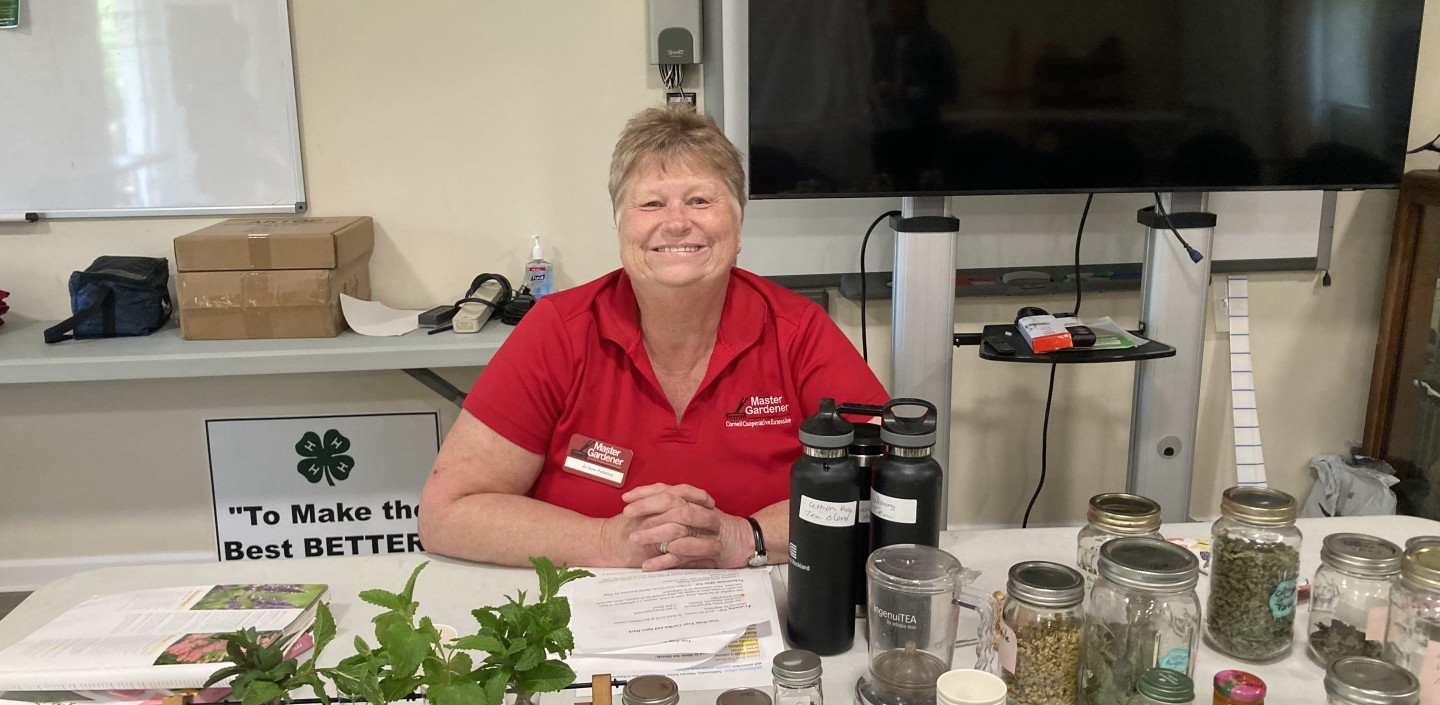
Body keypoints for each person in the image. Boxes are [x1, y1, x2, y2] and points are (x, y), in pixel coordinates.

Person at [418, 104, 888, 571]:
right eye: (651, 203)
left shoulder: (797, 330)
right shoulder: (558, 330)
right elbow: (447, 513)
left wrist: (745, 537)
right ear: (620, 223)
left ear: (740, 221)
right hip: (580, 611)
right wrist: (609, 541)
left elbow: (884, 485)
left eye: (701, 200)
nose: (677, 221)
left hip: (766, 609)